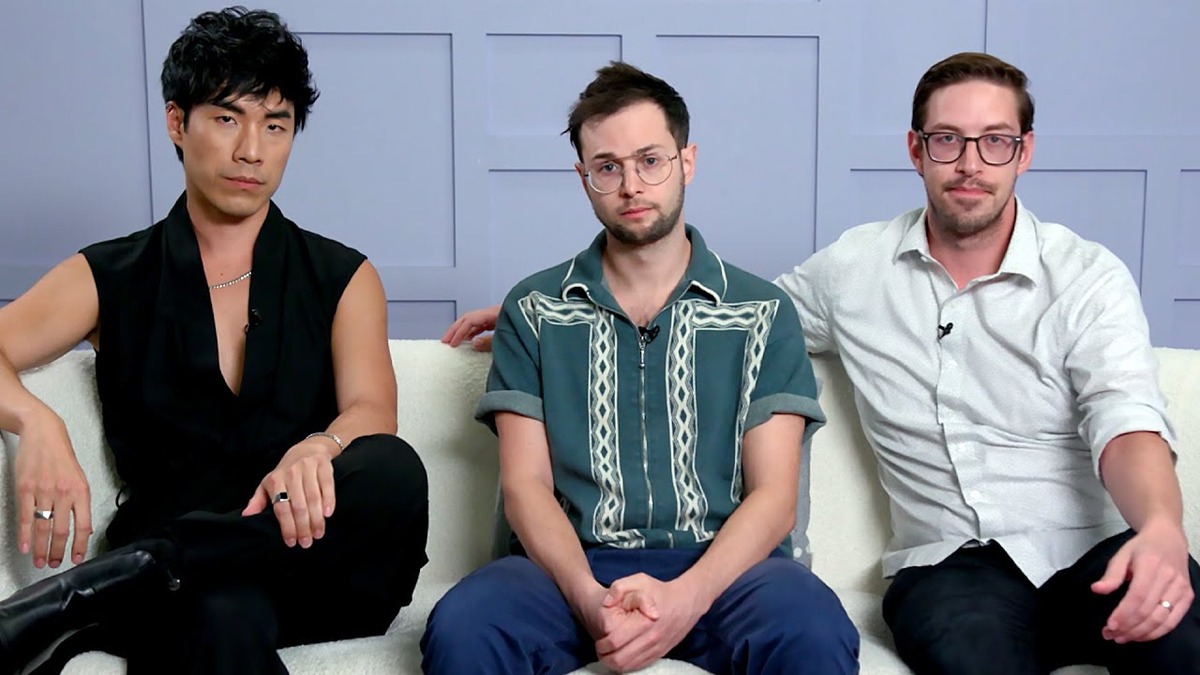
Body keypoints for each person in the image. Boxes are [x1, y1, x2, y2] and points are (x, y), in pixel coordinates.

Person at [443, 52, 1200, 674]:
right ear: (916, 149)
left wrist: (1162, 526)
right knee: (464, 631)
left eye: (995, 141)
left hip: (1083, 547)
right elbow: (696, 315)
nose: (970, 163)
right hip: (946, 570)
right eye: (947, 140)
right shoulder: (850, 271)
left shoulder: (1087, 276)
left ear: (1023, 152)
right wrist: (542, 306)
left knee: (1183, 642)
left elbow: (1123, 416)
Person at [0, 7, 428, 673]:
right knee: (217, 616)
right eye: (228, 119)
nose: (252, 150)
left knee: (393, 469)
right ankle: (154, 569)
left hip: (316, 559)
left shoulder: (341, 275)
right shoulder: (111, 274)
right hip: (193, 595)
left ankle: (99, 587)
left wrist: (321, 445)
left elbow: (372, 410)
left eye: (275, 125)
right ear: (178, 123)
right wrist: (35, 420)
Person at [422, 62, 858, 675]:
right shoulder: (536, 310)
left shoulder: (761, 312)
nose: (631, 185)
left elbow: (774, 497)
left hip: (728, 571)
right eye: (608, 167)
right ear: (584, 179)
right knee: (466, 625)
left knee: (812, 626)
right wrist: (588, 598)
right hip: (567, 568)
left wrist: (685, 600)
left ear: (687, 162)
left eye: (651, 160)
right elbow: (525, 486)